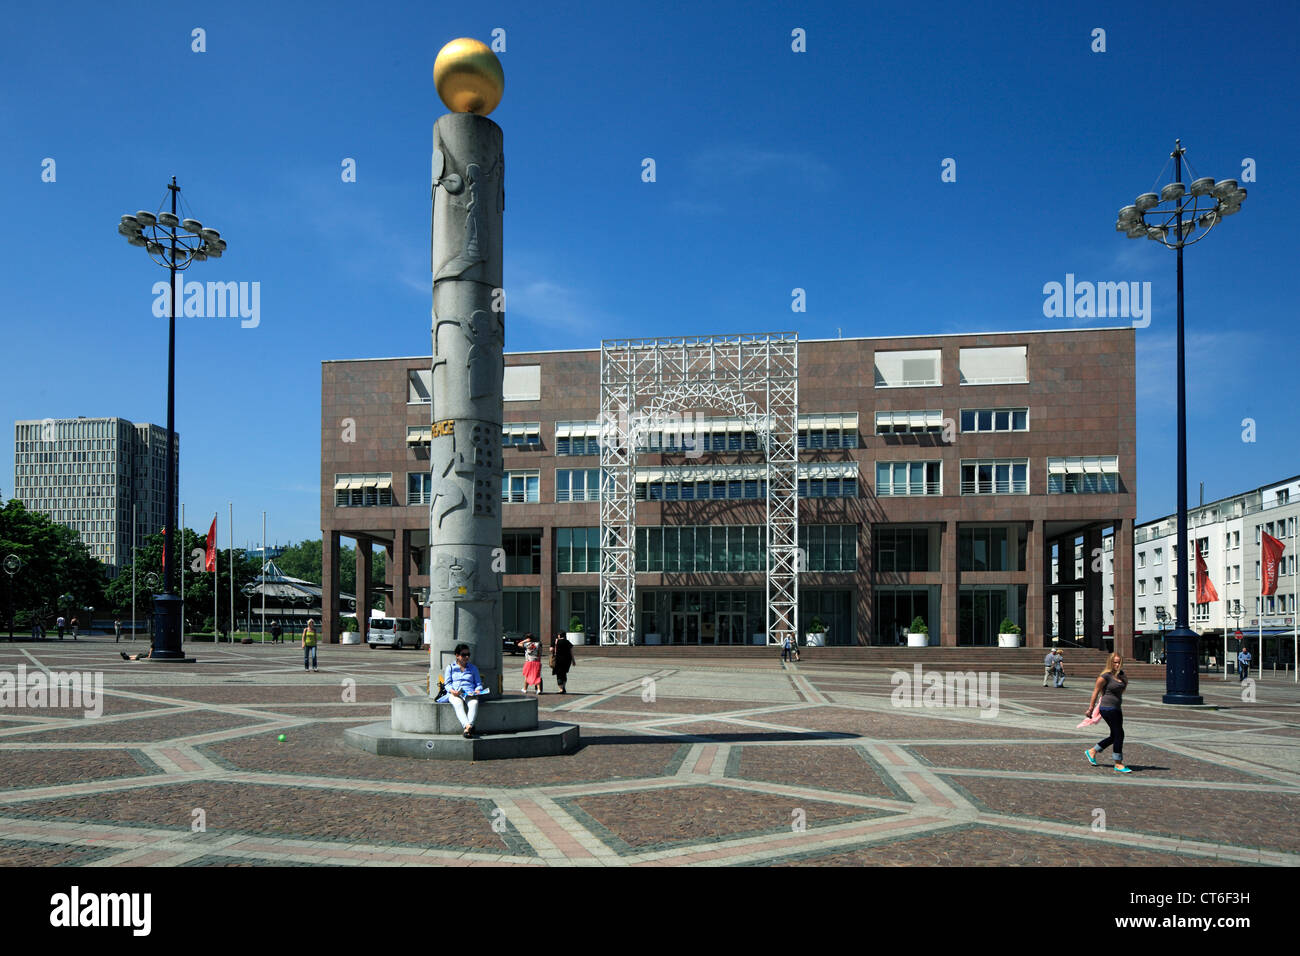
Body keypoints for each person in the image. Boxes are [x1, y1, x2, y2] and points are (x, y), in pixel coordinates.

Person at [1085, 653, 1132, 773]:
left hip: (1116, 708)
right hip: (1107, 708)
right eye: (1115, 662)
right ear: (1110, 663)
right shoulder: (1105, 676)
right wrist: (1090, 708)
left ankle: (1093, 751)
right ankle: (1118, 763)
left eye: (1119, 662)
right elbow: (1095, 692)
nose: (1117, 665)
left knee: (1114, 735)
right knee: (1119, 734)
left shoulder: (1122, 675)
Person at [437, 643, 487, 737]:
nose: (466, 657)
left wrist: (477, 690)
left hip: (469, 693)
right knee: (457, 703)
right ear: (457, 655)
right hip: (455, 693)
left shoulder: (473, 668)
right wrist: (452, 691)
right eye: (463, 655)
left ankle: (467, 728)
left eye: (468, 654)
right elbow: (447, 684)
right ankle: (469, 726)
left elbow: (478, 684)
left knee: (474, 703)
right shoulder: (450, 667)